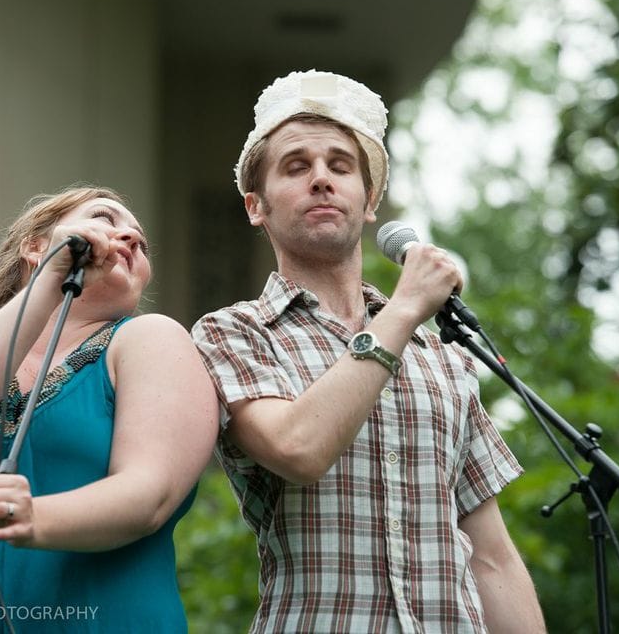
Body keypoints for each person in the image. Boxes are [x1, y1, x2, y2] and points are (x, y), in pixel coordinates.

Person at [191, 70, 546, 633]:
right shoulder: (233, 332)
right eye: (296, 166)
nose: (321, 179)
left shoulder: (444, 357)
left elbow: (491, 557)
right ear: (256, 206)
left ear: (370, 200)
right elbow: (298, 449)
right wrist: (403, 311)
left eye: (340, 166)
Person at [0, 185, 217, 633]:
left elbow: (149, 493)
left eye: (142, 241)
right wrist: (51, 282)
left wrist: (36, 517)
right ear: (36, 246)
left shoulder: (150, 339)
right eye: (104, 218)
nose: (132, 237)